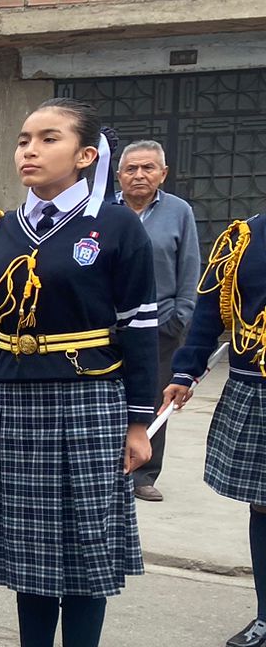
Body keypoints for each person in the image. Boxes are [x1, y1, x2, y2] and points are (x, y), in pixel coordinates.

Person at [0, 98, 156, 647]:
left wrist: (139, 423)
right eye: (22, 138)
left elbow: (140, 328)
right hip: (15, 403)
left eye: (48, 138)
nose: (28, 149)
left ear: (85, 156)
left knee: (81, 556)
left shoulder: (115, 227)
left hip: (89, 401)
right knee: (29, 557)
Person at [163, 208, 266, 647]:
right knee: (262, 505)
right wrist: (185, 370)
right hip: (254, 385)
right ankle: (265, 614)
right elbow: (210, 310)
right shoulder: (244, 237)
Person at [114, 141, 200, 503]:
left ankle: (145, 473)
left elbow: (190, 266)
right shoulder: (104, 212)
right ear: (119, 176)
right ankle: (108, 466)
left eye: (148, 168)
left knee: (155, 398)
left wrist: (181, 316)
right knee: (110, 396)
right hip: (110, 325)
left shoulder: (179, 211)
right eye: (131, 169)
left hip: (162, 323)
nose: (139, 175)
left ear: (163, 174)